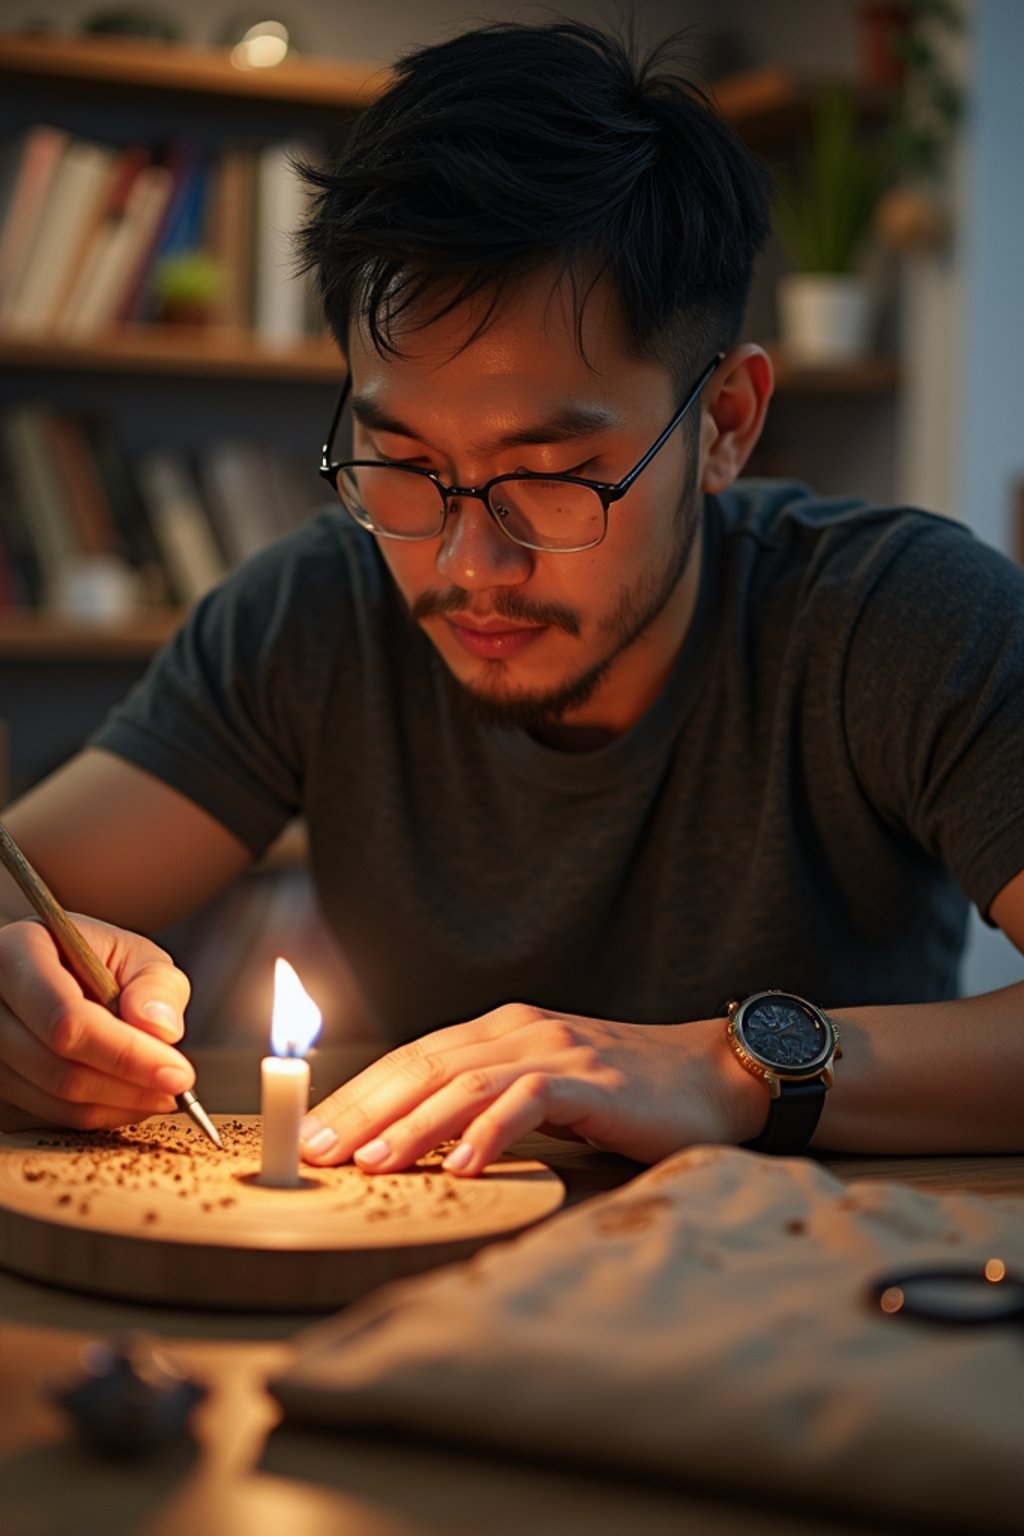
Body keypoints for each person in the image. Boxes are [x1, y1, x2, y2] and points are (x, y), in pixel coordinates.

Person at [1, 22, 1022, 1173]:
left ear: (725, 424)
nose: (465, 566)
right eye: (402, 464)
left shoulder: (900, 621)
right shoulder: (316, 614)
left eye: (551, 478)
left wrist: (720, 1072)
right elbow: (19, 887)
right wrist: (27, 992)